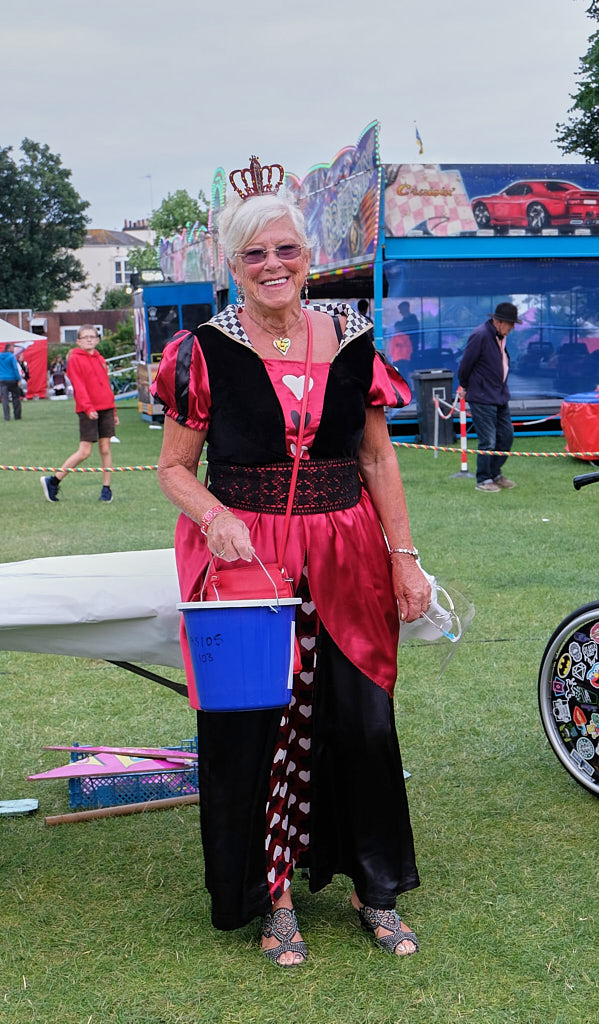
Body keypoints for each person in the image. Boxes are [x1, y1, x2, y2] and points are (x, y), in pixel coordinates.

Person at [153, 156, 430, 968]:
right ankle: (270, 894)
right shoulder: (203, 350)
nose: (272, 265)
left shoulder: (354, 339)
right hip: (248, 559)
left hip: (348, 551)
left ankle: (372, 885)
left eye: (286, 250)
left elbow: (376, 458)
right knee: (257, 726)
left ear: (308, 256)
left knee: (361, 717)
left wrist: (404, 558)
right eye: (254, 254)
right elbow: (174, 468)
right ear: (232, 265)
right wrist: (214, 516)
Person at [40, 326, 117, 503]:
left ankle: (106, 489)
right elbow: (79, 386)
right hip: (87, 409)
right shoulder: (75, 359)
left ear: (97, 339)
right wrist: (88, 408)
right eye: (85, 337)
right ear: (78, 341)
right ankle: (53, 481)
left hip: (106, 408)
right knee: (84, 452)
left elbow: (105, 385)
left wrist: (113, 410)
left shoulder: (100, 359)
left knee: (105, 448)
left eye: (92, 336)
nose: (89, 339)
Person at [457, 301, 520, 492]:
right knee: (488, 441)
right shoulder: (480, 335)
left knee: (506, 437)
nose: (512, 327)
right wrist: (464, 385)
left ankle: (495, 473)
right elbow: (466, 364)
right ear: (499, 322)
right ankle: (484, 479)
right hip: (482, 396)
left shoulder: (500, 337)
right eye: (510, 323)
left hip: (499, 395)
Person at [0, 344, 23, 421]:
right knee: (16, 397)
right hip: (12, 379)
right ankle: (17, 415)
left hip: (2, 379)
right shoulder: (11, 356)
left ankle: (7, 417)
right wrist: (18, 379)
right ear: (9, 349)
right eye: (13, 348)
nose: (14, 350)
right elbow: (15, 368)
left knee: (4, 399)